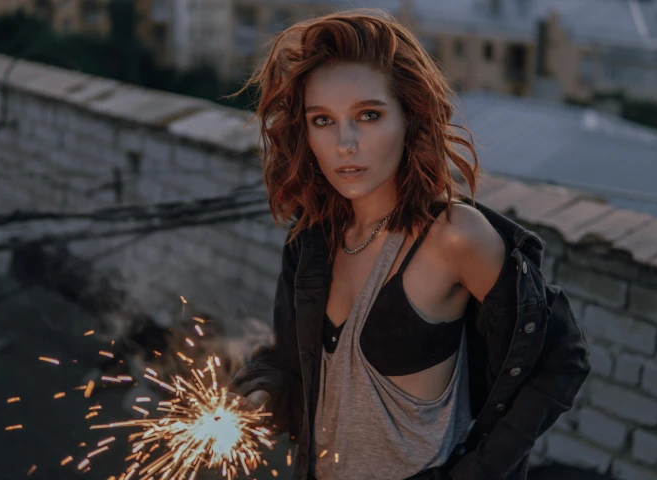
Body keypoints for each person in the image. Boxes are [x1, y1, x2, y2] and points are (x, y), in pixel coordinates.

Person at [227, 8, 591, 480]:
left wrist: (476, 471)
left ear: (410, 117)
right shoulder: (313, 239)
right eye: (323, 120)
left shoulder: (454, 236)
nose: (345, 144)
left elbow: (563, 361)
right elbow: (284, 361)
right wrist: (258, 398)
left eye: (369, 115)